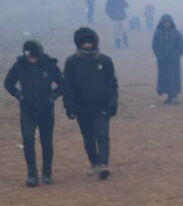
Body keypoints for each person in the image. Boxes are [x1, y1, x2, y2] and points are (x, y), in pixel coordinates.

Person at [4, 40, 66, 186]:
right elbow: (8, 83)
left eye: (34, 57)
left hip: (46, 110)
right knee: (28, 140)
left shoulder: (50, 65)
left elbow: (63, 84)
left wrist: (53, 96)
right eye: (29, 57)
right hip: (27, 110)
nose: (31, 59)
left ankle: (47, 173)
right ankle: (32, 174)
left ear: (39, 54)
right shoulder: (20, 65)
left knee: (46, 142)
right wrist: (19, 95)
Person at [63, 27, 118, 180]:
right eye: (84, 43)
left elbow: (112, 83)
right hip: (82, 107)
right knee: (88, 138)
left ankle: (104, 165)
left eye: (90, 43)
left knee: (103, 135)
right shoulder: (72, 62)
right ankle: (94, 162)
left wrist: (113, 102)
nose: (87, 46)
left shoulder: (105, 61)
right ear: (79, 44)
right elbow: (67, 86)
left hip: (102, 106)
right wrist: (69, 105)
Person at [151, 14, 183, 105]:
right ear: (162, 23)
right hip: (162, 61)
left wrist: (174, 56)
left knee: (173, 78)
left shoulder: (177, 34)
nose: (167, 24)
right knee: (164, 78)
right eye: (165, 22)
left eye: (168, 23)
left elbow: (181, 47)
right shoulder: (158, 33)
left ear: (171, 23)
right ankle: (169, 96)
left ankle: (173, 95)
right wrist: (160, 56)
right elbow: (155, 46)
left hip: (174, 61)